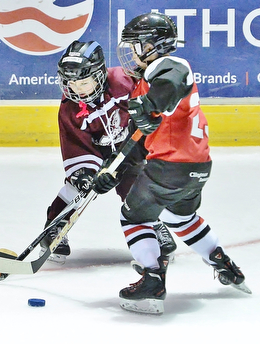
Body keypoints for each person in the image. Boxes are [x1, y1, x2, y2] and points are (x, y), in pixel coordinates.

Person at [102, 12, 250, 314]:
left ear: (153, 45)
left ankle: (152, 281)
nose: (131, 52)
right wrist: (110, 170)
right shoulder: (148, 83)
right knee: (178, 217)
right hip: (195, 169)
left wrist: (150, 104)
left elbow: (172, 82)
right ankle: (222, 262)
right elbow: (139, 140)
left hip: (170, 167)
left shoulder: (168, 66)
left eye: (136, 45)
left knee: (134, 217)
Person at [42, 40, 176, 263]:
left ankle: (153, 225)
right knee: (77, 187)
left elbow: (149, 103)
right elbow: (75, 144)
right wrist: (85, 174)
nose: (77, 89)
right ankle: (54, 226)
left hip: (128, 149)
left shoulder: (123, 82)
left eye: (83, 82)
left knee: (137, 189)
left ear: (99, 75)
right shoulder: (69, 108)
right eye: (71, 83)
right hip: (95, 152)